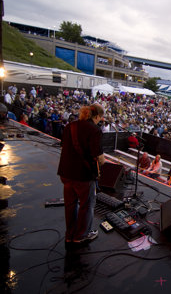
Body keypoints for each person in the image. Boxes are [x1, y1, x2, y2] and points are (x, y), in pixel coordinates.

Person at [57, 104, 105, 245]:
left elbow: (64, 146)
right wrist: (104, 162)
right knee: (86, 205)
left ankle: (69, 234)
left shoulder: (70, 126)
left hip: (65, 172)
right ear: (96, 116)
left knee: (70, 205)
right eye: (100, 118)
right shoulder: (94, 130)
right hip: (83, 175)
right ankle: (81, 235)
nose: (100, 121)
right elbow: (98, 157)